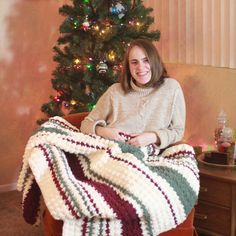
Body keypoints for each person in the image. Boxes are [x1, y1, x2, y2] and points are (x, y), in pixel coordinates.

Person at [80, 39, 186, 151]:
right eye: (134, 62)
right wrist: (103, 131)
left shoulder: (171, 88)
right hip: (110, 149)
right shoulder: (115, 91)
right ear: (128, 66)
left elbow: (178, 131)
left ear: (154, 61)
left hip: (146, 153)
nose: (140, 67)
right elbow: (85, 124)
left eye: (146, 60)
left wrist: (153, 137)